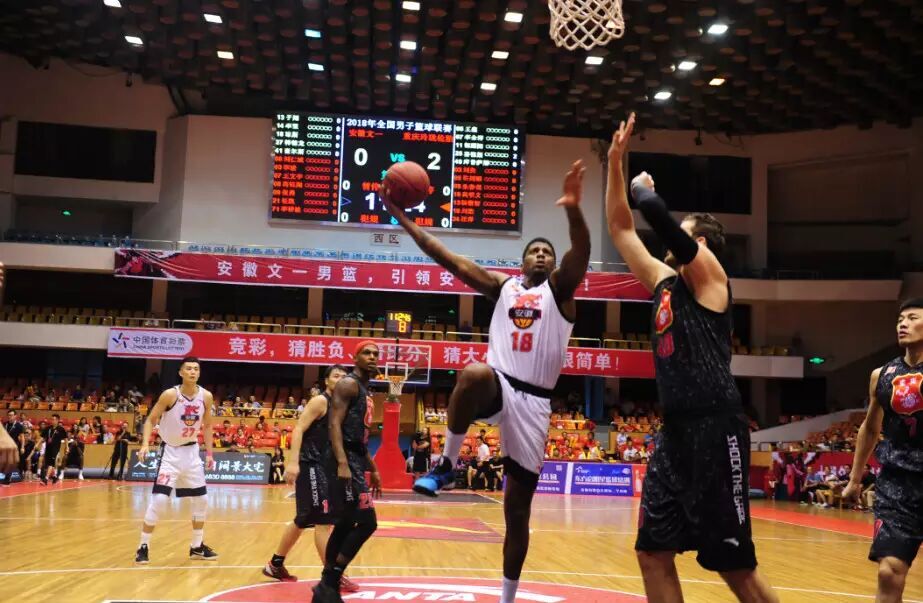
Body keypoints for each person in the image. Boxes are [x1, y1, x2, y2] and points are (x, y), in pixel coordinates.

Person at [385, 159, 590, 603]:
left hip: (534, 404)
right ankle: (446, 465)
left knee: (517, 513)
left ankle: (507, 598)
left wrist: (574, 209)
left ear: (554, 264)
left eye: (547, 252)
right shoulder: (504, 288)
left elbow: (581, 251)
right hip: (500, 384)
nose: (541, 255)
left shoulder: (559, 292)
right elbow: (449, 258)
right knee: (474, 371)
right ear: (522, 261)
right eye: (534, 251)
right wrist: (401, 217)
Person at [604, 113, 777, 603]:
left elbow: (655, 218)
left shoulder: (712, 277)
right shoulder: (664, 283)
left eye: (681, 233)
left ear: (700, 242)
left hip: (715, 428)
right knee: (652, 551)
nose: (669, 239)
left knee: (735, 566)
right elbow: (620, 228)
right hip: (675, 433)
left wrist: (643, 190)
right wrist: (615, 163)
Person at [843, 299, 923, 603]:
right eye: (900, 319)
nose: (903, 324)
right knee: (889, 572)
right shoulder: (882, 374)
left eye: (912, 318)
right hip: (896, 484)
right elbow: (870, 428)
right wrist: (854, 479)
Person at [263, 365, 358, 593]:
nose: (341, 379)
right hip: (311, 464)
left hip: (326, 467)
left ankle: (275, 564)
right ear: (326, 381)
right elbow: (298, 429)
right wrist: (293, 462)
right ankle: (333, 575)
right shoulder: (320, 401)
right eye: (336, 376)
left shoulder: (344, 405)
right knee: (323, 521)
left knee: (303, 518)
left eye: (344, 377)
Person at [311, 344, 383, 603]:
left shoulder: (364, 389)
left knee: (344, 523)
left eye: (376, 354)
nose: (372, 357)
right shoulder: (349, 385)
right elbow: (334, 424)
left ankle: (326, 587)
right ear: (355, 358)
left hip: (355, 458)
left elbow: (359, 438)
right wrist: (342, 463)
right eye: (367, 353)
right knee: (367, 522)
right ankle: (331, 580)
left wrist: (373, 467)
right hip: (342, 460)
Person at [134, 357, 218, 564]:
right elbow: (150, 420)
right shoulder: (170, 395)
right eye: (188, 368)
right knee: (159, 500)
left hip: (192, 453)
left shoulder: (206, 396)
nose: (193, 372)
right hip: (170, 453)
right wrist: (145, 444)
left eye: (196, 369)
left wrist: (209, 453)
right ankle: (143, 546)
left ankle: (196, 546)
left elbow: (208, 426)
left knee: (202, 500)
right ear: (180, 372)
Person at [40, 414, 68, 485]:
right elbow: (42, 437)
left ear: (57, 420)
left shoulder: (61, 429)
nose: (52, 421)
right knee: (48, 463)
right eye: (51, 419)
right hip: (48, 448)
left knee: (51, 464)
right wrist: (37, 444)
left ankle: (46, 479)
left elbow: (66, 438)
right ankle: (55, 477)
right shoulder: (48, 428)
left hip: (55, 449)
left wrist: (67, 447)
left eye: (54, 419)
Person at [2, 410, 23, 485]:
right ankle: (4, 477)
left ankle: (8, 479)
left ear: (15, 416)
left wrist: (22, 447)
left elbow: (22, 437)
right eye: (9, 415)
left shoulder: (19, 426)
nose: (10, 416)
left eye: (11, 415)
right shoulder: (5, 424)